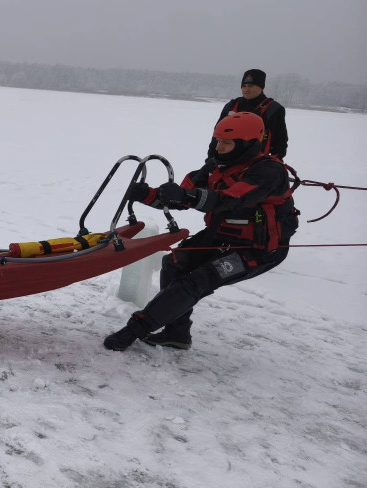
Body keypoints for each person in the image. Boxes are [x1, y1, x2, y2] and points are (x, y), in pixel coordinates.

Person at [105, 111, 298, 351]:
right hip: (221, 237)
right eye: (218, 141)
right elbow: (181, 199)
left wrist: (188, 195)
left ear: (248, 143)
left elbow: (230, 199)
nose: (220, 146)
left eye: (227, 142)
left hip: (258, 249)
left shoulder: (269, 172)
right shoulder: (214, 167)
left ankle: (134, 330)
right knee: (174, 263)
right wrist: (149, 195)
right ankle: (177, 334)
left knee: (197, 280)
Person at [209, 68, 288, 159]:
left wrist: (274, 163)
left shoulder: (273, 109)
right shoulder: (231, 106)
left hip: (256, 163)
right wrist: (210, 159)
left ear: (261, 87)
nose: (246, 89)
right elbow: (217, 135)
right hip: (227, 161)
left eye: (251, 85)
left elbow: (280, 141)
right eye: (244, 86)